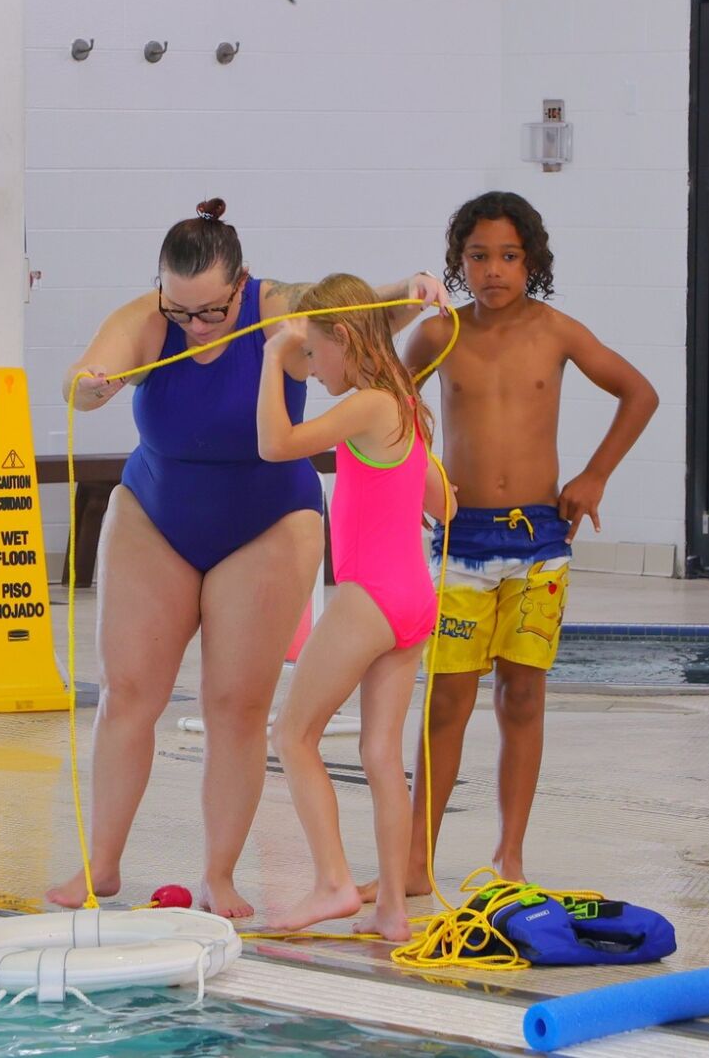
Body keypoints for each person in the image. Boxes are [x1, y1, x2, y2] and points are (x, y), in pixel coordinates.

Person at [48, 198, 451, 917]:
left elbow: (359, 322)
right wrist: (91, 386)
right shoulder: (147, 319)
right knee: (128, 692)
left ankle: (219, 875)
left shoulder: (280, 310)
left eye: (210, 313)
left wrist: (406, 288)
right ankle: (100, 863)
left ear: (242, 286)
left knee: (236, 706)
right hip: (155, 512)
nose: (194, 327)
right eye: (181, 312)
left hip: (268, 522)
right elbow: (82, 385)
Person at [370, 191, 658, 897]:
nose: (492, 270)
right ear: (457, 262)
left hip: (538, 540)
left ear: (532, 260)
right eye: (477, 256)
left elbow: (639, 393)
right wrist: (418, 477)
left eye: (507, 256)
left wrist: (593, 474)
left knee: (523, 695)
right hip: (460, 541)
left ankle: (509, 855)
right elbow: (386, 406)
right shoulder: (440, 335)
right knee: (446, 699)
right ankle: (414, 858)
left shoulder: (557, 332)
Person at [255, 275, 452, 941]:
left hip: (368, 595)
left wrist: (267, 359)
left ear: (341, 338)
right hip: (411, 597)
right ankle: (393, 908)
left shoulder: (367, 403)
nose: (310, 368)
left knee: (292, 734)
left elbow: (275, 444)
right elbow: (443, 506)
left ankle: (334, 882)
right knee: (377, 751)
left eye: (313, 353)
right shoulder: (401, 403)